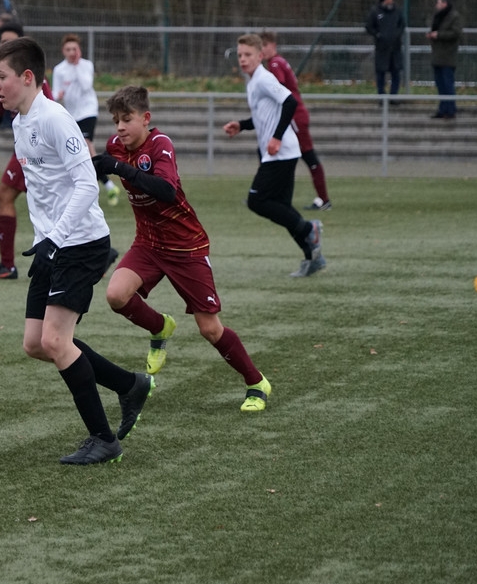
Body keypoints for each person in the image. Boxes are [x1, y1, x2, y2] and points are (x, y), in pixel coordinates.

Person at [0, 36, 153, 465]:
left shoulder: (55, 120)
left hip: (79, 243)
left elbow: (86, 186)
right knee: (35, 343)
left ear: (27, 77)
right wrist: (43, 239)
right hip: (50, 245)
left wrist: (56, 238)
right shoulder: (20, 123)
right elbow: (45, 191)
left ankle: (104, 439)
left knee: (55, 340)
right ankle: (129, 385)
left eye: (1, 76)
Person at [93, 86, 270, 412]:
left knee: (209, 329)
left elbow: (166, 190)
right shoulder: (115, 146)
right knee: (116, 295)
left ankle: (256, 382)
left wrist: (118, 168)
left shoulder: (161, 144)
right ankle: (160, 327)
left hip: (185, 246)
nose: (120, 127)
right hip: (148, 243)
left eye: (127, 119)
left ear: (145, 118)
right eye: (116, 120)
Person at [222, 33, 325, 278]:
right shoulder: (253, 82)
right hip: (281, 152)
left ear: (260, 56)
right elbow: (264, 115)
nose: (243, 59)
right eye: (240, 55)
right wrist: (242, 125)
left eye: (248, 55)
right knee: (282, 207)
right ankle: (313, 257)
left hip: (282, 152)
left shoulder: (264, 78)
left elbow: (290, 102)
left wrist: (277, 137)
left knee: (257, 200)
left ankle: (309, 228)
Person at [0, 20, 51, 280]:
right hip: (23, 148)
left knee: (7, 197)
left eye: (11, 42)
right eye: (2, 42)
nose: (5, 45)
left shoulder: (31, 79)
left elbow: (48, 114)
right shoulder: (3, 77)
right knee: (42, 202)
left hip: (34, 150)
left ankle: (8, 265)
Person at [259, 30, 332, 211]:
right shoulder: (278, 61)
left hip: (294, 117)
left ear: (273, 45)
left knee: (307, 155)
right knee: (269, 152)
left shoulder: (275, 64)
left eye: (265, 45)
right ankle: (266, 194)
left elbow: (279, 87)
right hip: (294, 115)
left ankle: (323, 199)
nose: (262, 50)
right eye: (260, 46)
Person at [51, 33, 120, 206]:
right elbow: (54, 93)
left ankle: (104, 186)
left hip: (88, 111)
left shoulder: (86, 65)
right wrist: (58, 95)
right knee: (81, 151)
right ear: (63, 51)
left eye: (74, 49)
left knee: (86, 145)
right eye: (68, 49)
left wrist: (76, 67)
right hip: (71, 115)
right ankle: (103, 185)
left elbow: (86, 85)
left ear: (79, 50)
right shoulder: (59, 70)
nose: (71, 52)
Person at [365, 0, 406, 101]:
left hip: (395, 48)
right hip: (382, 48)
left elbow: (402, 25)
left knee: (396, 73)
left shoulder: (397, 11)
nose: (391, 1)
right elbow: (369, 26)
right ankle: (381, 96)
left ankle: (393, 96)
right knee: (381, 73)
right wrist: (378, 35)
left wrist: (397, 34)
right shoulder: (375, 11)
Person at [426, 0, 463, 120]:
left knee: (448, 84)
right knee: (440, 84)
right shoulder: (438, 16)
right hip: (437, 55)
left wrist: (439, 35)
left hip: (448, 56)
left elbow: (456, 33)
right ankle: (442, 109)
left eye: (439, 2)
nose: (436, 5)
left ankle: (450, 110)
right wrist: (432, 35)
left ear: (445, 4)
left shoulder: (454, 17)